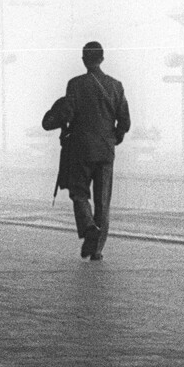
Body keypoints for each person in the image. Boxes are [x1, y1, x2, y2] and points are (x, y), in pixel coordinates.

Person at [55, 41, 130, 261]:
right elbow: (124, 120)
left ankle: (88, 227)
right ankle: (96, 250)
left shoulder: (75, 85)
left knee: (79, 193)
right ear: (102, 58)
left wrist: (59, 121)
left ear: (84, 59)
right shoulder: (116, 86)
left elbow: (67, 114)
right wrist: (114, 138)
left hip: (81, 149)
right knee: (103, 201)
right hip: (106, 151)